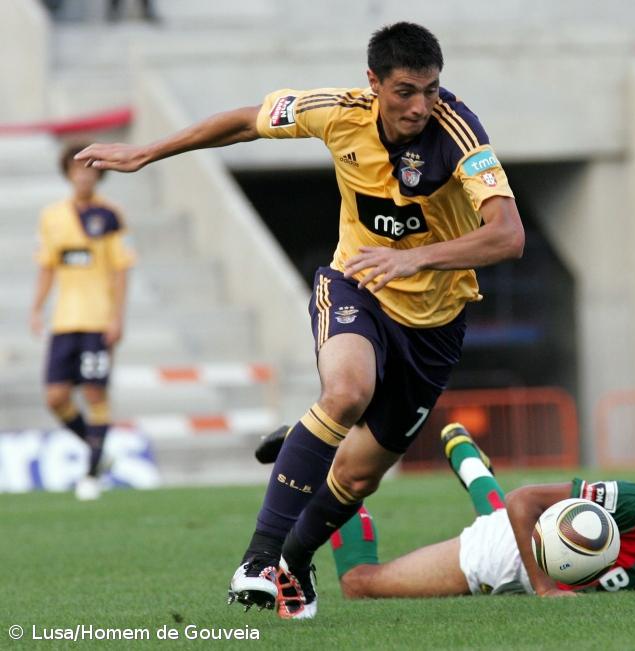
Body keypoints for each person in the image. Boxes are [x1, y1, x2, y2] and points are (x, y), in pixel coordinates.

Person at [75, 22, 524, 620]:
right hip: (356, 286)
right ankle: (259, 559)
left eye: (432, 89)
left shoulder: (459, 133)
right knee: (346, 391)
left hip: (435, 324)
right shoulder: (336, 111)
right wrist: (148, 151)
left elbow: (508, 235)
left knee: (358, 479)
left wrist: (411, 257)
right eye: (406, 91)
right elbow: (243, 121)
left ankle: (295, 559)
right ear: (374, 84)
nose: (421, 105)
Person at [326, 424, 635, 599]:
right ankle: (332, 466)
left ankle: (469, 462)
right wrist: (545, 589)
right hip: (506, 556)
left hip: (543, 538)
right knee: (360, 584)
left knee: (510, 512)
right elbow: (526, 502)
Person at [31, 143, 136, 501]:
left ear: (99, 174)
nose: (84, 176)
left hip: (97, 318)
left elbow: (121, 270)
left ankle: (91, 472)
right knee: (56, 396)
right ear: (68, 173)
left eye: (90, 169)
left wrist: (117, 317)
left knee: (94, 391)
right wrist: (36, 308)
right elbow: (48, 265)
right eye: (78, 169)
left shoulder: (110, 215)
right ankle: (99, 450)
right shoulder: (52, 216)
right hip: (64, 320)